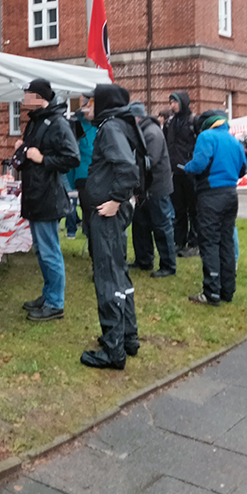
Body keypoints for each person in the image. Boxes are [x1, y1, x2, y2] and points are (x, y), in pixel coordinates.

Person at [79, 84, 143, 370]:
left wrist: (116, 200)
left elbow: (127, 168)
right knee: (119, 274)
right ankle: (127, 338)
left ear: (103, 103)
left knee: (108, 278)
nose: (86, 108)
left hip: (107, 214)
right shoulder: (118, 124)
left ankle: (113, 349)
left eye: (91, 102)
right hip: (110, 212)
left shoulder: (111, 128)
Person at [16, 78, 79, 322]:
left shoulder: (58, 123)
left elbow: (71, 157)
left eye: (28, 94)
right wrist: (23, 147)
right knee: (41, 250)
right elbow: (33, 151)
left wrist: (43, 160)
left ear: (40, 97)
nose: (24, 98)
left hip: (48, 196)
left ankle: (55, 302)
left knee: (50, 250)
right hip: (34, 193)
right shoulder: (35, 121)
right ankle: (49, 293)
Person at [181, 109, 247, 306]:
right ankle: (227, 290)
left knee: (209, 242)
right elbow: (244, 167)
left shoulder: (206, 136)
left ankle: (211, 292)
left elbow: (200, 163)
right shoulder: (234, 140)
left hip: (211, 195)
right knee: (226, 241)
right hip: (231, 194)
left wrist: (187, 168)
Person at [129, 102, 177, 277]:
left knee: (162, 226)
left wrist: (129, 163)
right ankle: (144, 260)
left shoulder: (152, 133)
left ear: (136, 117)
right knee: (140, 226)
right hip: (144, 188)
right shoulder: (143, 131)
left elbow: (150, 161)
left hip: (156, 188)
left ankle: (168, 265)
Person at [164, 91, 200, 257]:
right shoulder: (170, 122)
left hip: (190, 171)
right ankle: (179, 241)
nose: (172, 106)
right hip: (175, 172)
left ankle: (194, 243)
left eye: (175, 102)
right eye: (171, 102)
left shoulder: (194, 121)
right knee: (179, 209)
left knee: (193, 209)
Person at [65, 96, 96, 240]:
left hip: (88, 174)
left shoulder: (96, 126)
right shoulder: (79, 126)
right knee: (90, 212)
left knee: (90, 213)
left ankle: (91, 239)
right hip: (85, 175)